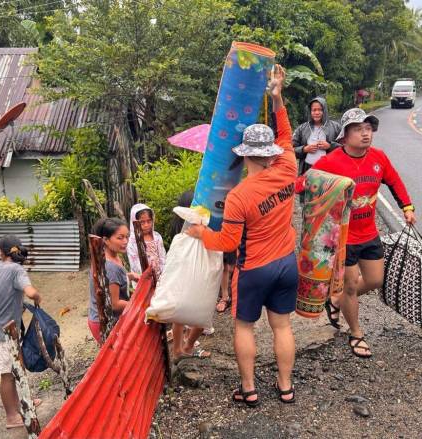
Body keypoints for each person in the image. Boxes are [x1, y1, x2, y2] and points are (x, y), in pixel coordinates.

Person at [186, 64, 298, 407]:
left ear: (245, 154)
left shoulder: (239, 196)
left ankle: (249, 389)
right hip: (287, 264)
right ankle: (285, 387)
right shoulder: (289, 167)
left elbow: (228, 244)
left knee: (245, 328)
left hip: (254, 270)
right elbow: (286, 136)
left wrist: (200, 232)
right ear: (271, 153)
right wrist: (277, 98)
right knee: (281, 327)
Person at [310, 107, 416, 358]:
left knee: (375, 280)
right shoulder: (331, 161)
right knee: (349, 286)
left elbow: (394, 181)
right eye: (358, 129)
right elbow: (308, 183)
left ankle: (336, 301)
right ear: (344, 136)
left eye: (368, 128)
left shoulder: (379, 157)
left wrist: (407, 207)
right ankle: (356, 333)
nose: (365, 134)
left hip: (369, 233)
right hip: (343, 238)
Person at [0, 235, 42, 430]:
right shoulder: (17, 270)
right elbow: (31, 292)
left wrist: (18, 307)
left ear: (1, 253)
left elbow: (1, 295)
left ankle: (24, 402)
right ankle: (11, 416)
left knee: (16, 369)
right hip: (1, 334)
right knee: (7, 375)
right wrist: (37, 298)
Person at [168, 189, 212, 361]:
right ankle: (183, 348)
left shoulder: (199, 229)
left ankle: (185, 346)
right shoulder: (182, 234)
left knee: (193, 315)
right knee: (190, 314)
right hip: (191, 277)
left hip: (191, 276)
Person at [87, 218, 140, 344]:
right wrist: (140, 306)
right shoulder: (110, 267)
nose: (125, 241)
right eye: (120, 238)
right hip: (104, 322)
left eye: (127, 237)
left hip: (104, 318)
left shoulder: (112, 257)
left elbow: (113, 282)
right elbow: (115, 304)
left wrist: (130, 276)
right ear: (105, 240)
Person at [292, 97, 342, 175]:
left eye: (320, 110)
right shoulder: (302, 128)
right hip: (307, 170)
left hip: (330, 171)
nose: (317, 112)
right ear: (310, 112)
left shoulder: (336, 127)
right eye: (314, 110)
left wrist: (330, 146)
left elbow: (346, 148)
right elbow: (290, 150)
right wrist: (304, 149)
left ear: (324, 111)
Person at [126, 204, 166, 278]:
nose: (146, 225)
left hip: (160, 278)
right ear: (134, 222)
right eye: (142, 222)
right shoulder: (132, 241)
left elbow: (162, 257)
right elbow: (134, 264)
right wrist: (149, 274)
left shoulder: (157, 237)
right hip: (142, 279)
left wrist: (162, 274)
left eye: (149, 221)